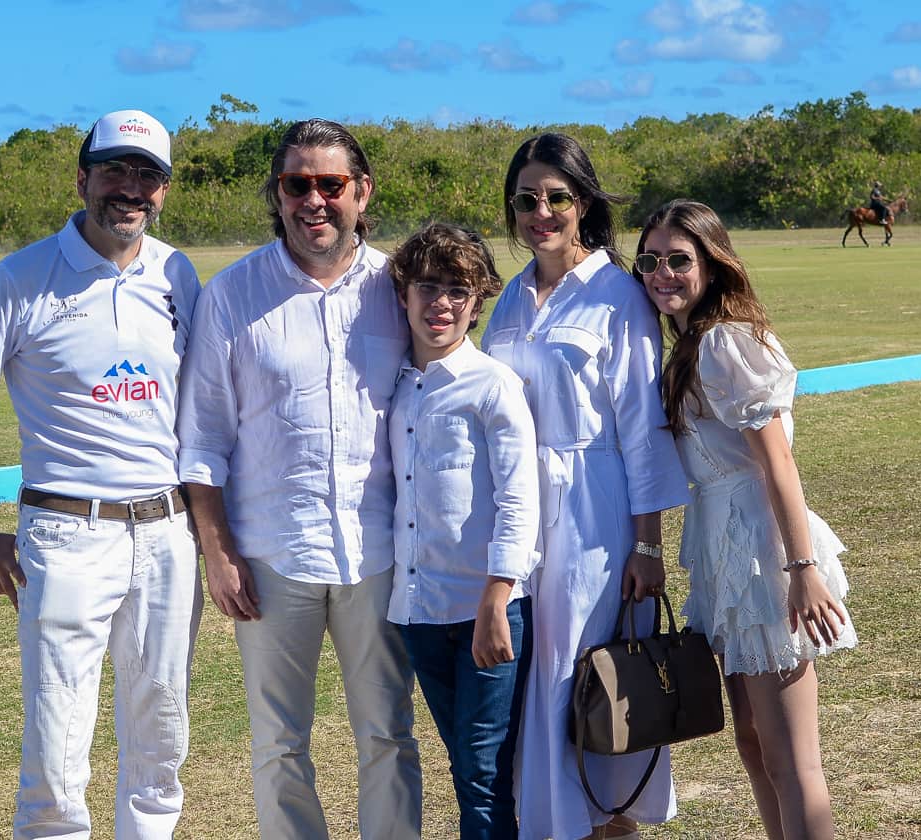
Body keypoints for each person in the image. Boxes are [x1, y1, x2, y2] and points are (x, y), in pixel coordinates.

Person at [0, 109, 203, 840]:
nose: (131, 188)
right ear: (82, 178)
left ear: (165, 190)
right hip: (67, 532)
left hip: (167, 534)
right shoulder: (20, 278)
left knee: (161, 745)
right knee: (55, 757)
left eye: (148, 174)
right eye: (114, 169)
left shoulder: (180, 274)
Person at [177, 118, 421, 839]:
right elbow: (203, 438)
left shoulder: (399, 289)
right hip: (270, 554)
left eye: (330, 184)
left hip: (378, 552)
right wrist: (217, 553)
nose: (314, 200)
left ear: (362, 191)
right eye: (296, 184)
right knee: (279, 743)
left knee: (388, 733)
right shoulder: (231, 295)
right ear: (277, 194)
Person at [481, 133, 689, 840]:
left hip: (593, 516)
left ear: (585, 202)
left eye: (557, 197)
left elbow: (642, 426)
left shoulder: (617, 294)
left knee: (592, 685)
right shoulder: (509, 297)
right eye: (526, 199)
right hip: (518, 514)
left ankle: (609, 827)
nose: (542, 212)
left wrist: (649, 545)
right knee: (536, 688)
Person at [636, 198, 858, 840]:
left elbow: (778, 465)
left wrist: (803, 569)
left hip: (765, 552)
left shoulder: (728, 341)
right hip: (723, 548)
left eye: (680, 260)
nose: (663, 273)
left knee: (792, 758)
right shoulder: (692, 344)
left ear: (713, 263)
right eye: (650, 261)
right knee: (756, 745)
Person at [386, 223, 540, 839]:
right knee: (465, 764)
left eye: (458, 290)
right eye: (428, 286)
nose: (441, 303)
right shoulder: (395, 385)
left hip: (485, 610)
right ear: (404, 294)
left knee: (482, 771)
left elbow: (518, 497)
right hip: (419, 613)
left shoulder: (493, 385)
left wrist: (498, 597)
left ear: (478, 301)